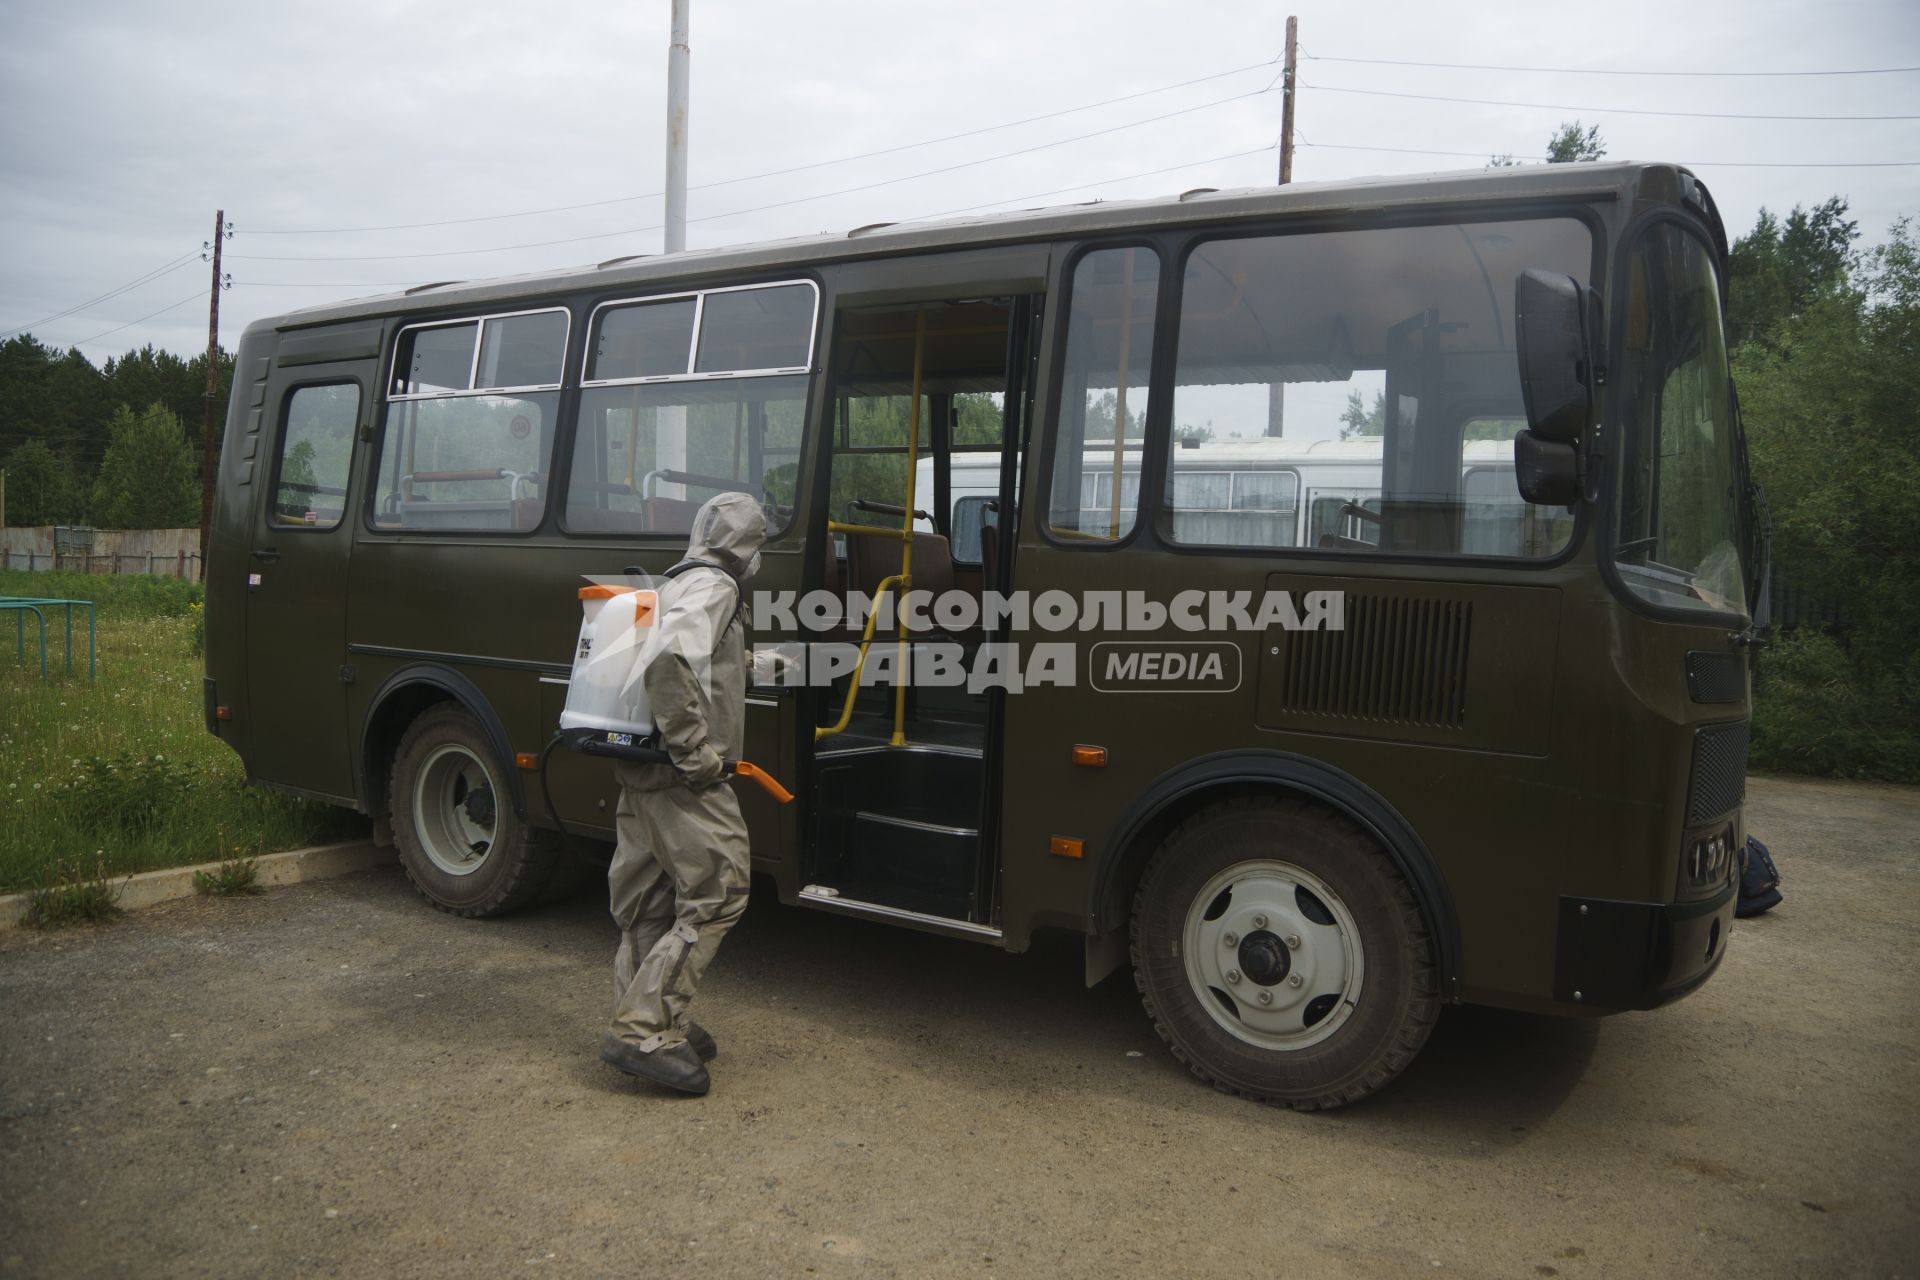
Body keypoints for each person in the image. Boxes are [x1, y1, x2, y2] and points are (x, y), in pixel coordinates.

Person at [599, 491, 768, 1096]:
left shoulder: (677, 581)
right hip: (682, 778)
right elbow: (670, 659)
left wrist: (762, 666)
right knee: (720, 892)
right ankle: (644, 1030)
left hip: (641, 770)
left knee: (648, 901)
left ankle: (650, 1013)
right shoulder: (718, 587)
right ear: (747, 547)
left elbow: (698, 659)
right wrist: (697, 753)